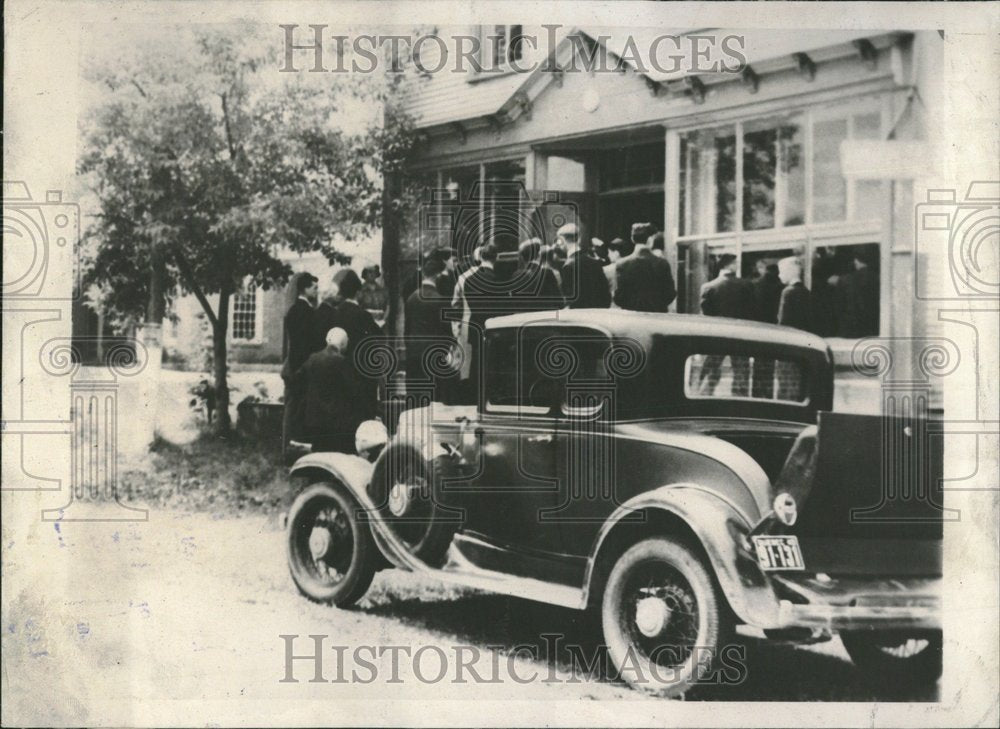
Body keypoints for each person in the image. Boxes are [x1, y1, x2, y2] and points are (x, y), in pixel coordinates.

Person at [294, 328, 369, 454]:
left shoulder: (313, 358)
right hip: (336, 421)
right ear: (343, 344)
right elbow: (354, 390)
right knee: (336, 455)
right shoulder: (341, 362)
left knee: (318, 452)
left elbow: (297, 378)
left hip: (314, 419)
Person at [329, 268, 383, 418]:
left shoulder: (335, 313)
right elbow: (379, 338)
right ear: (358, 293)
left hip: (340, 369)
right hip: (361, 373)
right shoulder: (363, 315)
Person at [698, 254, 754, 396]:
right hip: (740, 335)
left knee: (711, 368)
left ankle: (703, 395)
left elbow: (706, 315)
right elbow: (751, 311)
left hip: (717, 334)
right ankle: (739, 401)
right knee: (741, 372)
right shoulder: (746, 285)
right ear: (730, 265)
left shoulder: (708, 287)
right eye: (736, 262)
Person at [405, 256, 456, 401]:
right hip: (434, 355)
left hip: (414, 354)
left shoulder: (411, 298)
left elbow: (407, 331)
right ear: (437, 276)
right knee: (433, 397)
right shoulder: (440, 300)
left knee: (415, 397)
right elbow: (447, 333)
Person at [460, 242, 502, 402]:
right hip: (494, 330)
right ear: (496, 258)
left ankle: (475, 399)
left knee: (477, 367)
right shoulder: (499, 281)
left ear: (480, 257)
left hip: (476, 327)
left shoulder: (469, 280)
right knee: (493, 368)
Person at [282, 272, 319, 443]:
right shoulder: (308, 313)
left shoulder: (292, 311)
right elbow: (307, 344)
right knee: (300, 410)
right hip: (303, 367)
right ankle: (296, 446)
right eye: (314, 288)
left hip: (293, 365)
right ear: (304, 289)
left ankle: (288, 445)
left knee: (292, 409)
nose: (317, 291)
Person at [614, 223, 677, 312]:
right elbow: (670, 294)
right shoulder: (662, 263)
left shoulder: (622, 264)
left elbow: (618, 297)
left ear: (632, 239)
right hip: (657, 315)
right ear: (650, 240)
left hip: (631, 317)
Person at [559, 223, 611, 309]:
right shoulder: (594, 261)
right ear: (578, 239)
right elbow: (605, 293)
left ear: (562, 240)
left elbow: (569, 300)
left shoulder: (568, 265)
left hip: (579, 316)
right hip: (598, 314)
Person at [512, 237, 563, 311]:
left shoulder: (516, 275)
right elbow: (559, 302)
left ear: (522, 257)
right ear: (539, 255)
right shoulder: (546, 273)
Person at [837, 251, 878, 337]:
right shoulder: (877, 278)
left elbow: (840, 305)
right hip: (873, 328)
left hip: (850, 329)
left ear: (856, 261)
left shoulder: (846, 280)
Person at [777, 256, 813, 333]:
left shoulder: (787, 292)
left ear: (789, 272)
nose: (779, 275)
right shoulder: (806, 291)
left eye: (781, 272)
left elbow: (783, 320)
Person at [751, 259, 784, 325]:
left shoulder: (758, 282)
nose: (759, 270)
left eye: (761, 267)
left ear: (766, 268)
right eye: (758, 268)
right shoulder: (756, 281)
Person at [604, 237, 633, 302]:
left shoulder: (606, 270)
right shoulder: (632, 267)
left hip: (612, 305)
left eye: (609, 252)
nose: (608, 255)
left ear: (616, 252)